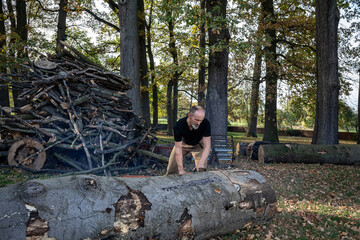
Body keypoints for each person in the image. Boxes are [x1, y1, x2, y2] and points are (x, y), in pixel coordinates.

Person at [166, 105, 211, 175]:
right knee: (171, 170)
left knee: (202, 170)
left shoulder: (206, 124)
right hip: (182, 145)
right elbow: (178, 149)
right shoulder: (179, 125)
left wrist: (201, 163)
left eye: (201, 120)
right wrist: (181, 169)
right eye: (196, 120)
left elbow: (207, 146)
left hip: (198, 145)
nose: (199, 123)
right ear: (189, 115)